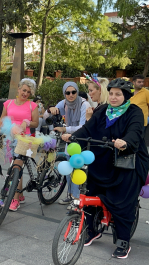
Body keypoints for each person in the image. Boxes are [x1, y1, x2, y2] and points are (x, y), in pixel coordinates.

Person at [62, 78, 149, 259]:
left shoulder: (135, 112)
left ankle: (123, 240)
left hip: (127, 161)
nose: (114, 97)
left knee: (123, 199)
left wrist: (126, 142)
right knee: (91, 191)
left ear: (126, 95)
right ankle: (92, 229)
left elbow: (135, 132)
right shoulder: (102, 110)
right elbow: (88, 129)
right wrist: (73, 137)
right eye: (111, 93)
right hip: (102, 158)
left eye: (118, 94)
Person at [0, 78, 39, 211]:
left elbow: (36, 123)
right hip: (9, 138)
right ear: (19, 89)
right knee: (14, 167)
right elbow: (2, 119)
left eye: (28, 91)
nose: (25, 93)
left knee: (16, 167)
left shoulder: (32, 106)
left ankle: (14, 199)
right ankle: (19, 194)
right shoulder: (8, 103)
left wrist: (27, 122)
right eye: (24, 90)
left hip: (23, 139)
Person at [49, 82, 91, 208]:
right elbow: (49, 115)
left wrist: (65, 129)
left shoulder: (84, 104)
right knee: (68, 170)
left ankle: (76, 199)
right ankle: (70, 195)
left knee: (77, 170)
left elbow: (83, 126)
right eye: (68, 93)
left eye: (74, 92)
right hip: (69, 140)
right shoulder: (64, 103)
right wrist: (50, 109)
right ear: (64, 94)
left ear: (77, 92)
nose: (71, 95)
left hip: (81, 140)